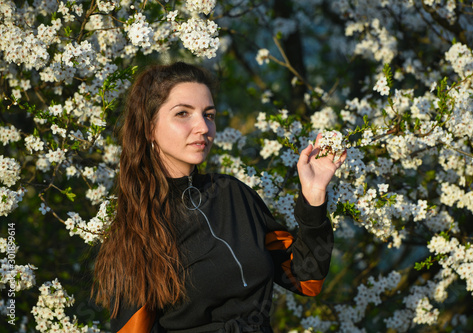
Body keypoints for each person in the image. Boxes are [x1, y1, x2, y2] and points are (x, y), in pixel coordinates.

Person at [93, 61, 347, 333]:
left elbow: (307, 279)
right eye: (183, 113)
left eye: (209, 115)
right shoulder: (136, 230)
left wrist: (314, 198)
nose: (203, 127)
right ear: (149, 127)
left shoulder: (234, 195)